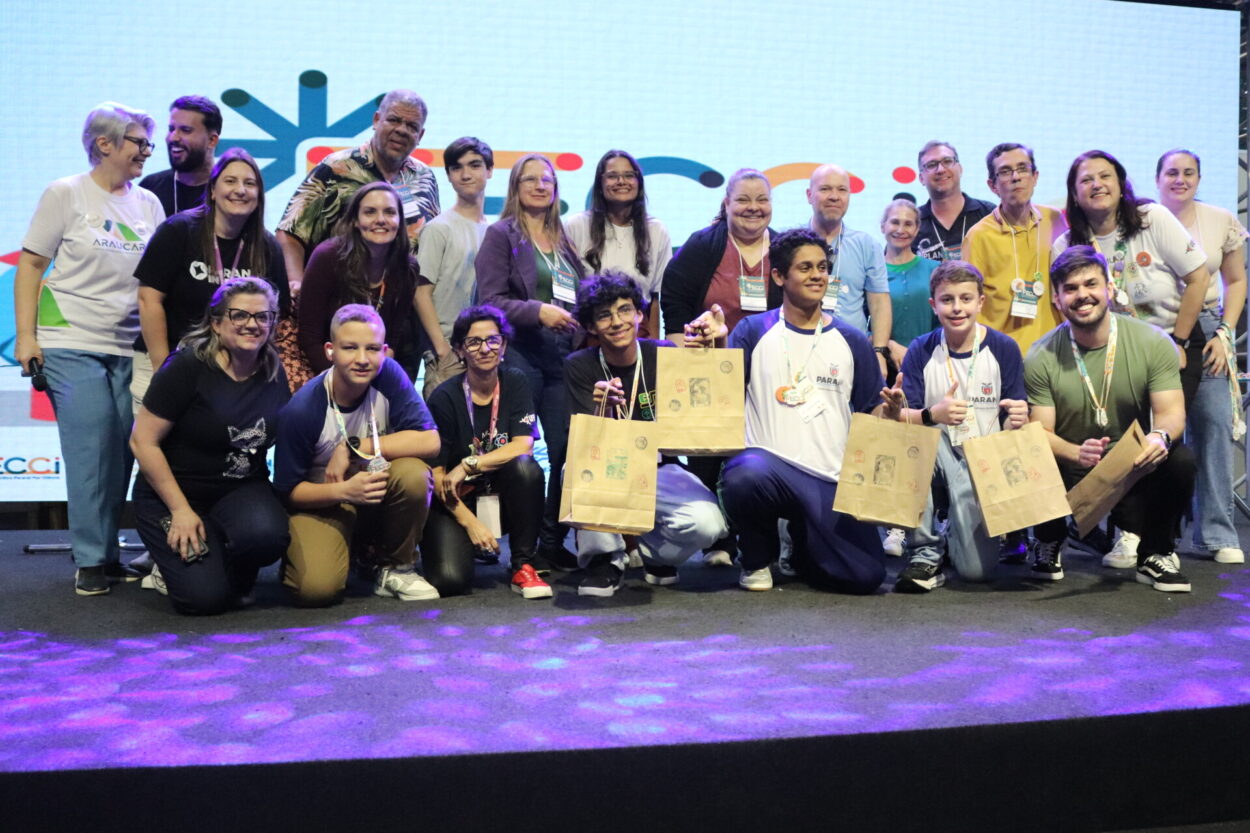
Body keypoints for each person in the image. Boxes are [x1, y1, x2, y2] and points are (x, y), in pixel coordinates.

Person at [14, 102, 165, 596]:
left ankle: (108, 551)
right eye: (139, 142)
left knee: (121, 451)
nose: (147, 151)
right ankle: (90, 560)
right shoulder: (66, 193)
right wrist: (28, 337)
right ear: (105, 144)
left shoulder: (148, 205)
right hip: (69, 340)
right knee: (89, 448)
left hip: (127, 346)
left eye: (148, 143)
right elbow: (32, 266)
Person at [1053, 150, 1211, 566]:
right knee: (1117, 438)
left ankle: (1157, 540)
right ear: (1074, 192)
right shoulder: (1067, 243)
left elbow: (1198, 277)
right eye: (1085, 179)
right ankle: (1128, 531)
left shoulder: (1151, 219)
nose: (1097, 184)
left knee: (1162, 442)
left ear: (1122, 183)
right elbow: (1063, 305)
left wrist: (1177, 339)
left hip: (1170, 347)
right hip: (1105, 355)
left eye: (1106, 176)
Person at [719, 228, 890, 594]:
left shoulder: (852, 340)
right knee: (742, 476)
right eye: (805, 268)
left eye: (823, 267)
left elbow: (869, 410)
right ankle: (755, 559)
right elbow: (724, 398)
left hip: (829, 478)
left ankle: (802, 549)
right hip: (767, 468)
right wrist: (713, 346)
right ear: (780, 276)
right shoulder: (752, 330)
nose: (817, 275)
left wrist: (888, 415)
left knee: (866, 577)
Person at [1025, 246, 1195, 591]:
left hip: (1131, 467)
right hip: (1070, 464)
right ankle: (1050, 538)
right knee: (1027, 446)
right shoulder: (1040, 354)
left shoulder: (1152, 342)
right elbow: (1039, 431)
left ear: (1109, 286)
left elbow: (1172, 413)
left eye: (1090, 284)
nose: (1082, 295)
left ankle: (1155, 553)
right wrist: (1076, 452)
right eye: (1070, 289)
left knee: (1181, 457)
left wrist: (1159, 437)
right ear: (1056, 299)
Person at [129, 278, 290, 613]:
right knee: (203, 600)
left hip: (240, 489)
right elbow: (141, 441)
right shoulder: (186, 367)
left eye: (263, 317)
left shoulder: (274, 370)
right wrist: (180, 511)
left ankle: (219, 558)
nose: (252, 324)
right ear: (216, 323)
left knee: (268, 535)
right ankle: (173, 564)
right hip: (175, 494)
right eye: (240, 315)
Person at [563, 272, 729, 596]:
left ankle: (656, 557)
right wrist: (604, 411)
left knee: (711, 523)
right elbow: (584, 443)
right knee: (576, 470)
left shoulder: (663, 352)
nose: (616, 321)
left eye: (625, 310)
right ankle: (604, 561)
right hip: (608, 466)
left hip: (658, 467)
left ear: (640, 314)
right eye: (603, 315)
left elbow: (708, 396)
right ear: (591, 326)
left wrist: (718, 342)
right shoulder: (579, 366)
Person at [274, 305, 441, 606]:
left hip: (374, 490)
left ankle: (395, 566)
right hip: (323, 500)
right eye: (350, 348)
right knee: (316, 590)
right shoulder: (303, 409)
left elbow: (430, 441)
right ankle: (327, 553)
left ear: (385, 351)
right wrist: (343, 491)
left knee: (414, 474)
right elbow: (288, 492)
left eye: (372, 348)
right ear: (330, 350)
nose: (363, 359)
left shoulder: (388, 374)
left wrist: (354, 445)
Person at [659, 168, 778, 566]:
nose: (753, 208)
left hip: (770, 370)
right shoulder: (703, 245)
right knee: (709, 455)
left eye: (761, 200)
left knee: (760, 456)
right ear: (726, 204)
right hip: (710, 369)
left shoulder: (783, 248)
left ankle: (765, 543)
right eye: (743, 200)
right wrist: (683, 348)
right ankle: (720, 543)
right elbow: (674, 301)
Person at [476, 153, 587, 568]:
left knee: (567, 452)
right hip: (521, 355)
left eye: (548, 180)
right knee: (521, 456)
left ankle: (551, 542)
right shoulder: (501, 235)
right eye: (530, 180)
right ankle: (519, 548)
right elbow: (491, 302)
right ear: (516, 188)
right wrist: (538, 311)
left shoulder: (565, 241)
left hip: (564, 360)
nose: (541, 186)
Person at [891, 261, 1029, 592]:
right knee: (915, 442)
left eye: (966, 299)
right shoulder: (921, 349)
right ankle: (925, 551)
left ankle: (954, 532)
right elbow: (903, 420)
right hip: (937, 452)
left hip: (983, 460)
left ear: (981, 302)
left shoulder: (1003, 348)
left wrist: (1017, 418)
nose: (957, 308)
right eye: (947, 299)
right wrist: (931, 415)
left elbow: (1013, 415)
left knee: (975, 572)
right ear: (933, 305)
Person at [134, 147, 289, 403]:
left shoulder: (267, 247)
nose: (240, 189)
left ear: (259, 195)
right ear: (213, 190)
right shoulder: (178, 231)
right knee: (151, 440)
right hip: (164, 358)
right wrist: (163, 370)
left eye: (249, 183)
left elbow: (275, 317)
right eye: (230, 181)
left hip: (232, 372)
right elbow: (148, 300)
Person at [1155, 148, 1247, 565]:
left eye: (1189, 172)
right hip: (1156, 328)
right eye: (1171, 173)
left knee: (1212, 426)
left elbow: (1235, 280)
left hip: (1207, 329)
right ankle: (1149, 535)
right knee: (1154, 432)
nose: (1180, 179)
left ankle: (1215, 534)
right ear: (1157, 179)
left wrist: (1226, 332)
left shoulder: (1221, 219)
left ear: (1199, 177)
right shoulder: (1144, 220)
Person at [424, 306, 549, 599]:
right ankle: (470, 546)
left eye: (493, 340)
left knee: (526, 468)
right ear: (459, 351)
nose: (485, 349)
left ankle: (523, 565)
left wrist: (468, 465)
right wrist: (473, 525)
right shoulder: (443, 398)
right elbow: (438, 476)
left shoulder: (515, 381)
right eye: (474, 342)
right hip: (457, 502)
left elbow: (524, 445)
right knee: (450, 581)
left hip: (501, 492)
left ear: (503, 345)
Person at [276, 89, 439, 291]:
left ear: (420, 135)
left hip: (401, 307)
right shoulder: (336, 167)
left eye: (412, 126)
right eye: (394, 120)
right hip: (338, 302)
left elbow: (430, 247)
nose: (401, 130)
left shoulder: (424, 177)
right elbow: (290, 232)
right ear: (376, 120)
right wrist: (296, 286)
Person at [298, 181, 424, 380]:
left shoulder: (407, 268)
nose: (381, 219)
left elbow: (392, 338)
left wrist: (371, 381)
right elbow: (309, 336)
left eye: (390, 212)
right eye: (370, 212)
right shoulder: (327, 257)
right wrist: (341, 380)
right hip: (324, 370)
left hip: (373, 371)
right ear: (355, 221)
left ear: (400, 221)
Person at [964, 143, 1068, 355]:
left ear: (1035, 176)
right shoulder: (979, 236)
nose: (1016, 177)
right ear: (992, 185)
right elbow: (969, 302)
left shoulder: (1056, 219)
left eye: (1023, 169)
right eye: (1005, 172)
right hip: (1003, 357)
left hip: (1058, 352)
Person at [415, 137, 494, 398]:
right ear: (448, 175)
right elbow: (421, 293)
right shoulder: (439, 228)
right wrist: (442, 350)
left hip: (485, 351)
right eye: (457, 168)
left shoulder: (495, 231)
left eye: (474, 165)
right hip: (448, 352)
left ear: (489, 170)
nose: (466, 174)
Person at [565, 150, 673, 339]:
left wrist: (654, 346)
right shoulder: (577, 225)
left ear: (638, 183)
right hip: (590, 332)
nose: (621, 181)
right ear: (600, 184)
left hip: (638, 332)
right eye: (612, 176)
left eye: (629, 175)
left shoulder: (656, 230)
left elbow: (655, 297)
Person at [806, 164, 891, 376]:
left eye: (842, 190)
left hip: (851, 353)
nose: (834, 196)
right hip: (802, 347)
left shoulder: (867, 245)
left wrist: (879, 351)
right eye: (825, 189)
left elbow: (879, 303)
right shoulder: (793, 242)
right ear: (809, 195)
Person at [880, 198, 939, 374]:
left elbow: (944, 319)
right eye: (894, 222)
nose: (900, 230)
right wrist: (888, 345)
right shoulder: (872, 272)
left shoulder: (935, 270)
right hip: (885, 365)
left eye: (908, 224)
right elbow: (863, 323)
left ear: (917, 229)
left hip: (931, 362)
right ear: (883, 226)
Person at [138, 95, 222, 217]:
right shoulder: (150, 188)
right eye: (171, 129)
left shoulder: (230, 191)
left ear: (212, 140)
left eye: (186, 130)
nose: (173, 137)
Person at [914, 141, 995, 262]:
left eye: (947, 161)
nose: (940, 170)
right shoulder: (911, 222)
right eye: (931, 165)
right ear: (921, 178)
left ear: (960, 169)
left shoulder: (989, 214)